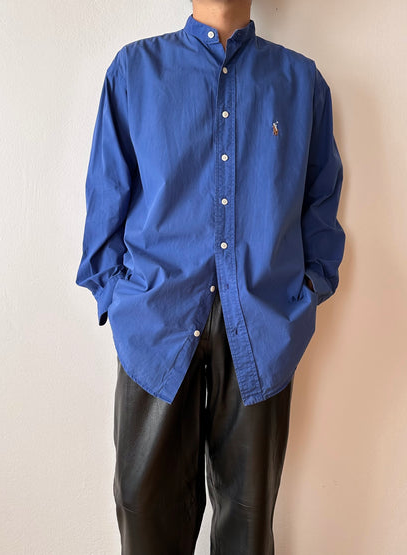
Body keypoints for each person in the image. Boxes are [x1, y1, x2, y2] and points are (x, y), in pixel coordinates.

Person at [75, 0, 346, 553]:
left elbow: (321, 198)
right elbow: (107, 194)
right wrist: (116, 299)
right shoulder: (134, 71)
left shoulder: (301, 82)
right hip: (156, 324)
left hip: (264, 326)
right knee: (144, 511)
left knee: (247, 523)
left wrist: (311, 288)